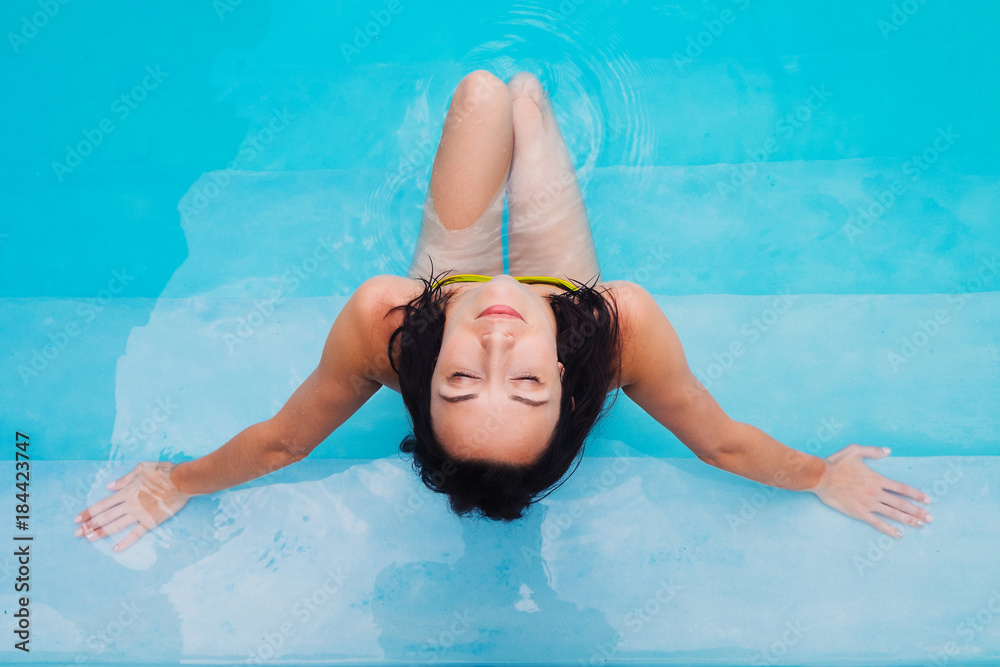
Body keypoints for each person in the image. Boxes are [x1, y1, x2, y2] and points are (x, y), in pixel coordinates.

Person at [73, 70, 932, 553]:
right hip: (568, 288)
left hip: (445, 278)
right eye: (522, 381)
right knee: (527, 101)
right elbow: (719, 438)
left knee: (481, 94)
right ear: (564, 380)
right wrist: (821, 473)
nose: (496, 335)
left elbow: (285, 437)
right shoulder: (614, 326)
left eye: (460, 379)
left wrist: (175, 480)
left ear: (423, 377)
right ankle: (533, 115)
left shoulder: (390, 320)